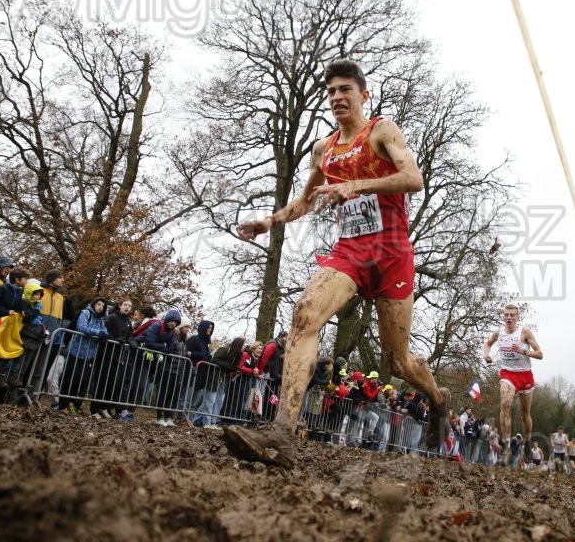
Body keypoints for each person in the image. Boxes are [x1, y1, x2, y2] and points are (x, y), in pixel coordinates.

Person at [226, 59, 448, 466]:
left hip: (392, 252)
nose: (337, 97)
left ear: (363, 95)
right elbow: (306, 201)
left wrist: (357, 184)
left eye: (345, 90)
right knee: (304, 314)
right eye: (331, 92)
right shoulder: (323, 150)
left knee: (396, 362)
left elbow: (414, 178)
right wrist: (269, 220)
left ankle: (437, 400)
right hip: (350, 252)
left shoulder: (381, 131)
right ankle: (282, 433)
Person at [483, 303, 544, 464]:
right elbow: (488, 343)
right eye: (506, 315)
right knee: (505, 405)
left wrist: (523, 351)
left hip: (525, 376)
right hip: (508, 374)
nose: (509, 317)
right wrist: (486, 355)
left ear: (518, 317)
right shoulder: (499, 332)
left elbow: (540, 354)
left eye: (512, 315)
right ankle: (506, 447)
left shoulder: (524, 332)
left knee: (525, 415)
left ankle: (528, 442)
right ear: (503, 317)